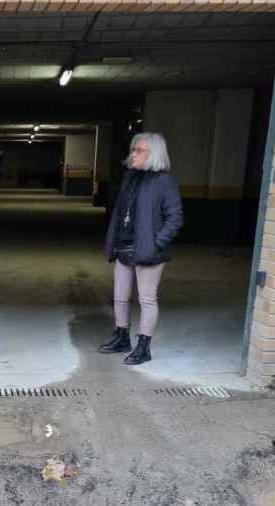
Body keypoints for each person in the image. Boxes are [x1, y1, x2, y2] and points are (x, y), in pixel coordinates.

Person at [100, 132, 183, 365]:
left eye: (139, 150)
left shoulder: (164, 181)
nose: (133, 154)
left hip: (148, 251)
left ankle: (144, 347)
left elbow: (175, 218)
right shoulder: (130, 177)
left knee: (147, 298)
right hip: (123, 246)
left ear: (153, 154)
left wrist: (155, 243)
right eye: (133, 149)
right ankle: (121, 337)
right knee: (120, 297)